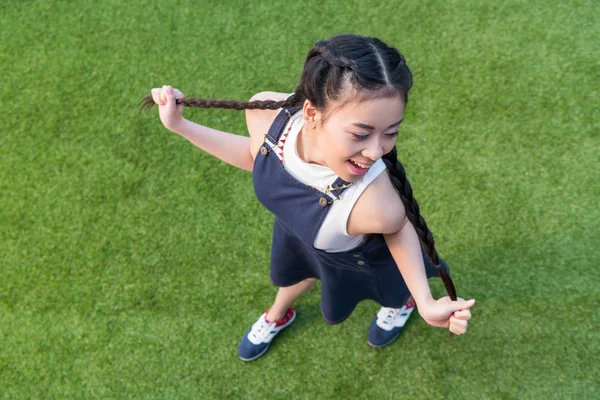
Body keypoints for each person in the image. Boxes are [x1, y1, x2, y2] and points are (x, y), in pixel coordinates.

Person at [144, 34, 475, 362]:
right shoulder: (268, 116)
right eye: (361, 133)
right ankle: (278, 314)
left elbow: (397, 228)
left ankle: (401, 304)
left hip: (358, 257)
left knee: (391, 288)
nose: (376, 151)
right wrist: (181, 125)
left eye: (391, 133)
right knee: (295, 273)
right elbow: (255, 157)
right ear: (313, 113)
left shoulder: (375, 202)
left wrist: (424, 299)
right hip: (299, 234)